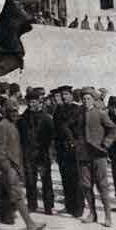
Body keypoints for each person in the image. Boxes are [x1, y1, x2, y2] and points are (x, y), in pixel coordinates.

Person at [0, 99, 46, 230]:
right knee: (17, 196)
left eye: (16, 111)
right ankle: (30, 224)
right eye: (12, 111)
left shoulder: (11, 125)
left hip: (12, 167)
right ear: (6, 112)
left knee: (11, 196)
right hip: (8, 168)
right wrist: (7, 167)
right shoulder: (3, 126)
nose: (15, 114)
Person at [67, 87, 116, 227]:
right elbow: (69, 127)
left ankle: (107, 216)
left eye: (88, 98)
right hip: (83, 155)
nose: (86, 101)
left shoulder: (100, 114)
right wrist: (73, 141)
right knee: (86, 185)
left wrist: (105, 145)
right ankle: (92, 213)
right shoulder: (78, 113)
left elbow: (113, 129)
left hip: (98, 154)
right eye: (84, 99)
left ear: (94, 100)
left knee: (102, 186)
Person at [18, 90, 54, 215]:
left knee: (46, 180)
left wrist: (49, 153)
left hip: (42, 154)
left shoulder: (46, 118)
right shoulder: (23, 118)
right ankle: (32, 205)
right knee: (30, 180)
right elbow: (20, 136)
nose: (31, 104)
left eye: (34, 101)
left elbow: (51, 138)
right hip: (28, 153)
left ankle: (48, 206)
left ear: (39, 102)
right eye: (29, 102)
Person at [54, 86, 84, 218]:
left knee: (76, 179)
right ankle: (69, 206)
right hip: (62, 149)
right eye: (62, 95)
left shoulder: (77, 110)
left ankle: (78, 209)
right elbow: (55, 130)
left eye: (66, 94)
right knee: (65, 178)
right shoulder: (58, 110)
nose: (64, 97)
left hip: (74, 149)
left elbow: (78, 129)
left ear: (72, 96)